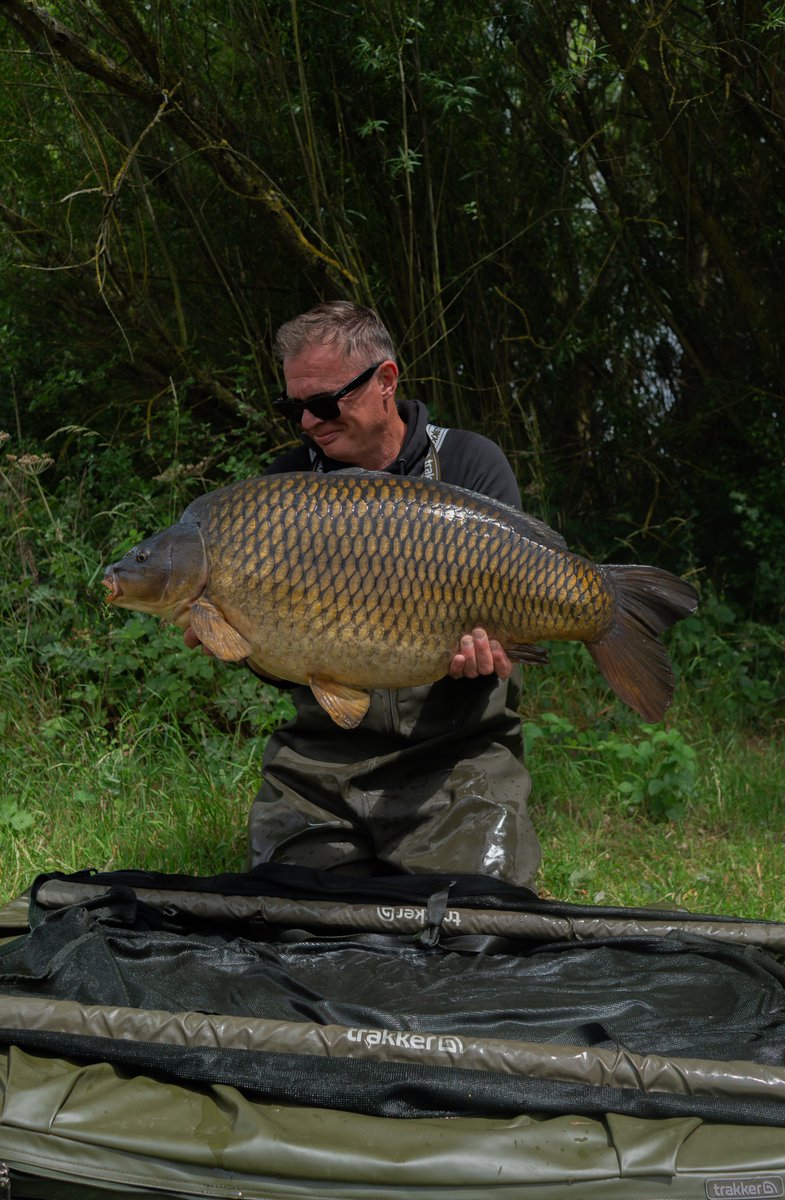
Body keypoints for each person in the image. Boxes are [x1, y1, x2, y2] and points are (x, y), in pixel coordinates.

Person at [187, 301, 541, 887]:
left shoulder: (468, 463)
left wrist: (495, 653)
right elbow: (286, 667)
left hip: (455, 755)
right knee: (296, 919)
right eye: (293, 408)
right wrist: (241, 642)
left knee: (474, 918)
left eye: (325, 403)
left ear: (386, 381)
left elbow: (513, 608)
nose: (308, 422)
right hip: (321, 760)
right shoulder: (281, 492)